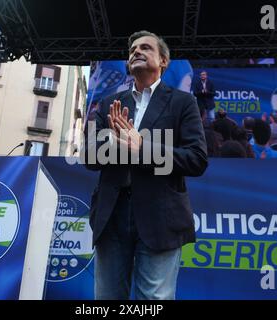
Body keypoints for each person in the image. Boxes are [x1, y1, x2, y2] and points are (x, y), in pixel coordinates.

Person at [83, 30, 208, 300]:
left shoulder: (183, 103)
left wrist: (143, 147)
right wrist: (115, 143)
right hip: (112, 215)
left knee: (153, 299)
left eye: (146, 48)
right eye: (132, 50)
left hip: (161, 216)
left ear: (163, 61)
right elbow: (89, 158)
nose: (136, 52)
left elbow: (197, 159)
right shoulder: (108, 105)